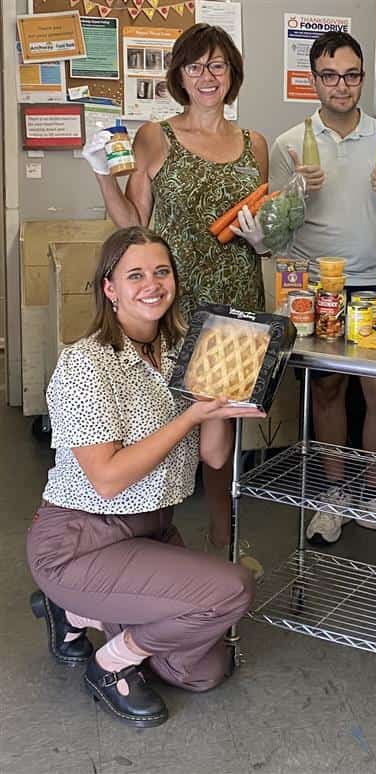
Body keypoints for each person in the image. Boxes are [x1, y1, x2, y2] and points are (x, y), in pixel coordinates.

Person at [27, 226, 265, 728]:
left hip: (152, 530)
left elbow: (216, 459)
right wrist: (189, 417)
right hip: (82, 540)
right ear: (109, 288)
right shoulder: (84, 363)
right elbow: (108, 479)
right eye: (134, 275)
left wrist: (222, 404)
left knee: (202, 671)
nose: (152, 284)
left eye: (161, 271)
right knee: (231, 590)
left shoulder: (183, 353)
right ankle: (108, 663)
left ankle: (75, 616)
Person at [80, 24, 269, 568]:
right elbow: (134, 223)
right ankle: (139, 546)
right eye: (194, 66)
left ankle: (221, 539)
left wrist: (266, 239)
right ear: (178, 76)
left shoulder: (254, 142)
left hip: (235, 309)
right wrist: (102, 176)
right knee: (152, 422)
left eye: (217, 66)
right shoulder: (155, 137)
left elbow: (263, 223)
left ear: (232, 74)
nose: (206, 77)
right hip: (169, 304)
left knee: (217, 441)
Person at [263, 31, 376, 546]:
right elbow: (277, 232)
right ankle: (334, 493)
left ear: (363, 77)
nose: (342, 85)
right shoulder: (289, 144)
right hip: (316, 283)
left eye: (351, 75)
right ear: (314, 79)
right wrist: (292, 196)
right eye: (330, 75)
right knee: (328, 389)